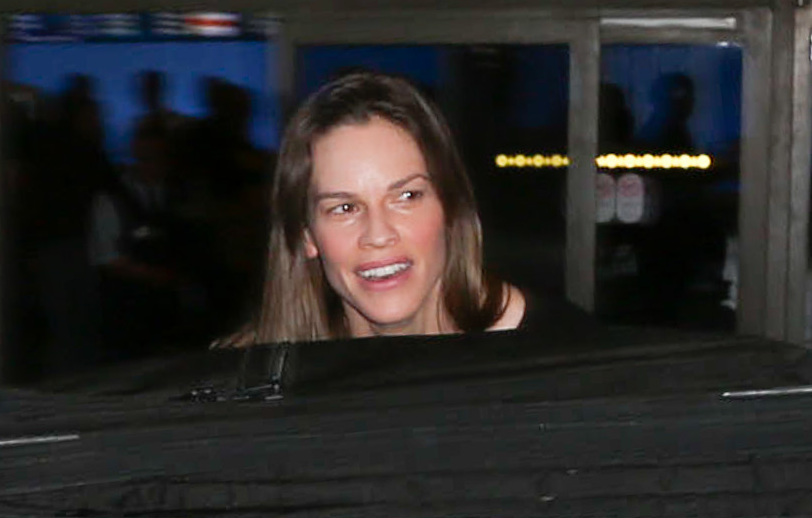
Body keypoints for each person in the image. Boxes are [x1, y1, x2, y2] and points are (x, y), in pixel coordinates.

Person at [228, 69, 586, 344]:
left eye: (407, 197)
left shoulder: (563, 356)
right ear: (306, 234)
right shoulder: (244, 384)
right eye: (344, 208)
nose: (378, 234)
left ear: (450, 206)